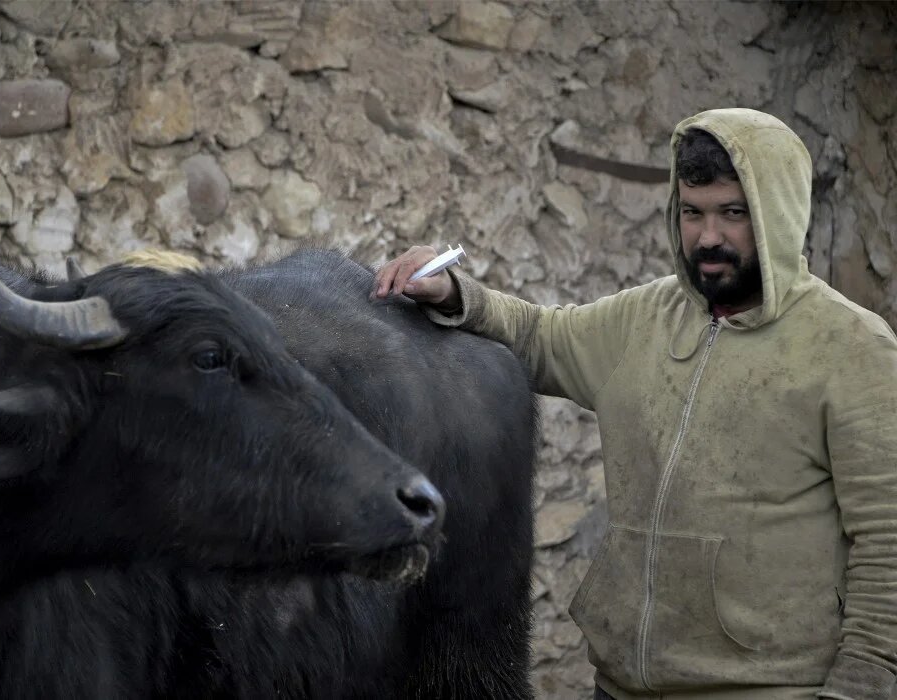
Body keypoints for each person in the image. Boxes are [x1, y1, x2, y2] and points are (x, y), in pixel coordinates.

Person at [373, 108, 897, 700]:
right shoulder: (646, 317)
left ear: (779, 213)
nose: (708, 237)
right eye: (692, 212)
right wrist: (455, 294)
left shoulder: (853, 348)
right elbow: (541, 337)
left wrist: (862, 685)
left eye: (734, 214)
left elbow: (888, 537)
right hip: (621, 686)